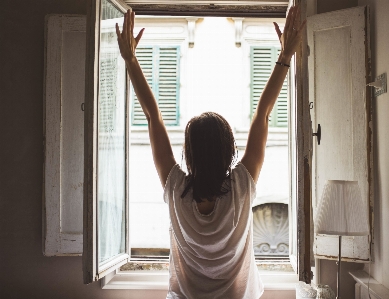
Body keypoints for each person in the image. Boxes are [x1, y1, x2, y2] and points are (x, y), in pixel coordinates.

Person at [116, 6, 305, 299]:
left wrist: (130, 59)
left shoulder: (176, 188)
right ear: (230, 150)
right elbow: (263, 115)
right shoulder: (242, 187)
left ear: (188, 153)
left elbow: (153, 116)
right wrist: (284, 56)